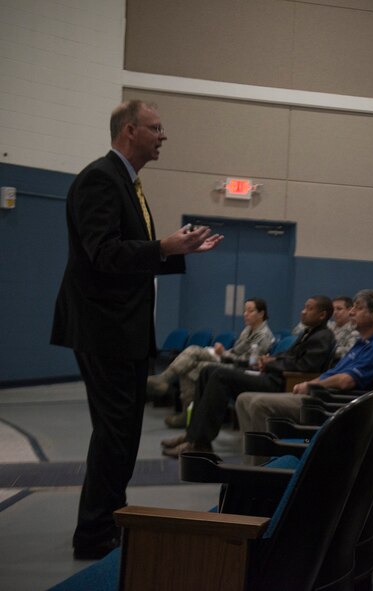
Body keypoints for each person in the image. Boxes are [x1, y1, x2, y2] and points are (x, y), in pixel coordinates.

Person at [49, 99, 223, 560]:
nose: (163, 136)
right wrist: (163, 245)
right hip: (103, 328)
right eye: (156, 128)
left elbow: (128, 253)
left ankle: (111, 519)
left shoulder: (128, 182)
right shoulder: (100, 179)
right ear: (129, 131)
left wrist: (174, 250)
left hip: (119, 328)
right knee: (114, 432)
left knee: (121, 432)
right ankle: (93, 534)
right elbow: (102, 253)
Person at [160, 296, 335, 456]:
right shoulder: (308, 333)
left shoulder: (323, 336)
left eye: (309, 308)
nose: (303, 311)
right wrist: (271, 359)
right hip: (272, 374)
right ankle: (192, 435)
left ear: (322, 315)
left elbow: (304, 367)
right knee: (207, 371)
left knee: (220, 375)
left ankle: (200, 443)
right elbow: (289, 357)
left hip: (281, 382)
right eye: (304, 307)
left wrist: (270, 364)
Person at [234, 289, 373, 438]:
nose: (351, 312)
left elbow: (345, 381)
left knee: (258, 404)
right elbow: (335, 374)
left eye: (358, 308)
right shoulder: (362, 344)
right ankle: (255, 461)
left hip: (329, 403)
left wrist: (310, 386)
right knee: (243, 399)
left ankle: (262, 465)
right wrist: (310, 384)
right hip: (321, 395)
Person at [148, 298, 275, 428]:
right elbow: (237, 352)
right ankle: (168, 386)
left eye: (250, 311)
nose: (245, 314)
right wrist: (224, 352)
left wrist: (224, 353)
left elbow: (250, 362)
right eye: (244, 311)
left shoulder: (263, 335)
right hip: (228, 359)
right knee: (193, 351)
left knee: (195, 367)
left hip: (241, 369)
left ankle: (185, 412)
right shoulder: (248, 330)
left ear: (261, 314)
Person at [329, 295, 359, 361]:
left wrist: (325, 350)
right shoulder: (328, 326)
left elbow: (350, 351)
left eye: (339, 309)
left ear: (350, 310)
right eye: (333, 309)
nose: (334, 312)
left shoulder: (356, 330)